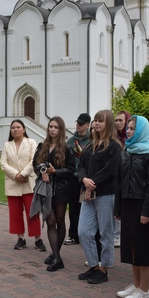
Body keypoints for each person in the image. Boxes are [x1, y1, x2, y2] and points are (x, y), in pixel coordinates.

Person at [114, 116, 149, 298]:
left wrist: (146, 212)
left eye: (133, 128)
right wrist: (118, 207)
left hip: (142, 206)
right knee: (130, 247)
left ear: (142, 130)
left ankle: (144, 289)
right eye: (128, 128)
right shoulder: (127, 151)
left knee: (142, 247)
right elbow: (119, 182)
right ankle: (135, 285)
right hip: (127, 204)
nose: (128, 131)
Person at [77, 110, 122, 284]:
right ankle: (94, 265)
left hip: (105, 194)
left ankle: (104, 269)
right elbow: (81, 165)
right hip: (89, 194)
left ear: (108, 124)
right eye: (95, 121)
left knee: (105, 232)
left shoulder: (114, 147)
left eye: (100, 121)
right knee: (84, 231)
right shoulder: (90, 145)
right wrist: (84, 179)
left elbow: (110, 171)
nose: (96, 124)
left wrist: (92, 183)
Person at [33, 117, 76, 271]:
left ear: (61, 129)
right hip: (46, 190)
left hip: (62, 189)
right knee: (50, 221)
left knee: (59, 220)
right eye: (50, 126)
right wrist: (43, 172)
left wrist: (55, 172)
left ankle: (56, 255)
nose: (52, 130)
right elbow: (35, 165)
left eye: (56, 127)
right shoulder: (42, 146)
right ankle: (57, 257)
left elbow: (72, 169)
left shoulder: (67, 147)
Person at [0, 119, 46, 252]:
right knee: (15, 213)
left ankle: (38, 239)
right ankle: (20, 238)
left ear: (24, 129)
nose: (15, 129)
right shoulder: (7, 145)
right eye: (13, 127)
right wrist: (16, 176)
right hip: (13, 183)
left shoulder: (31, 143)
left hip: (29, 182)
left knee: (33, 212)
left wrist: (23, 175)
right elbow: (3, 164)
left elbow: (34, 160)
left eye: (18, 127)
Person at [64, 113, 91, 246]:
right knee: (74, 206)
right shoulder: (71, 141)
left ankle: (85, 234)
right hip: (74, 178)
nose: (78, 126)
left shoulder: (91, 140)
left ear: (88, 125)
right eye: (77, 123)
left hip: (86, 178)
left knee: (86, 207)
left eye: (81, 124)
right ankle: (74, 235)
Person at [113, 110, 131, 247]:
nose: (118, 123)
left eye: (121, 120)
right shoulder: (114, 137)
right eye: (116, 120)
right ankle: (116, 234)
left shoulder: (129, 140)